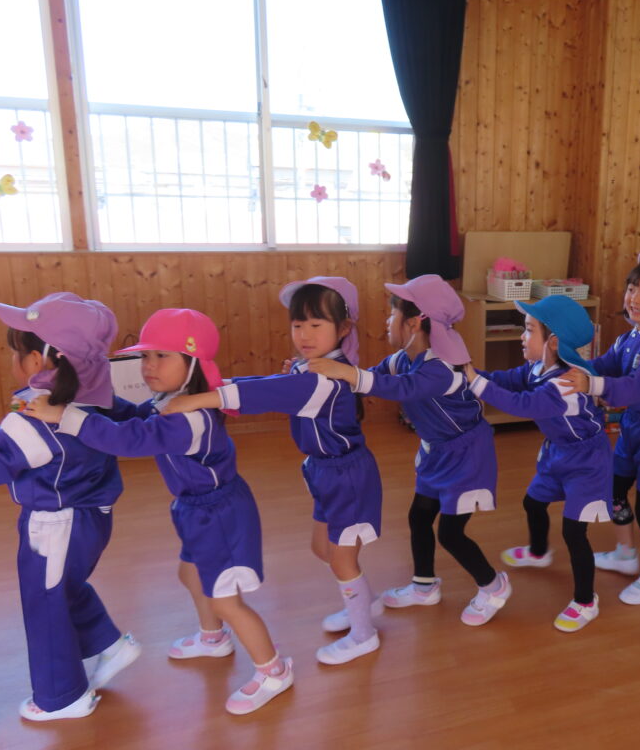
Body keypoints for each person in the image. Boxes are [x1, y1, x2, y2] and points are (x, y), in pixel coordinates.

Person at [25, 309, 292, 715]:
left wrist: (68, 416)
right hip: (195, 511)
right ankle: (213, 638)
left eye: (161, 356)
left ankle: (273, 670)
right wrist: (98, 403)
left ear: (194, 363)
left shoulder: (192, 419)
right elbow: (136, 417)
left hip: (220, 516)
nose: (149, 365)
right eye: (145, 356)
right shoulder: (170, 402)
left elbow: (132, 439)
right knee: (191, 575)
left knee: (225, 599)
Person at [164, 278, 383, 666]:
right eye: (297, 325)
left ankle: (364, 633)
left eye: (316, 324)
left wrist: (203, 397)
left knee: (341, 558)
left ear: (343, 328)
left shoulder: (326, 378)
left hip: (347, 477)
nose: (304, 334)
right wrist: (217, 386)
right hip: (325, 472)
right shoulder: (311, 368)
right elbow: (270, 385)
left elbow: (263, 394)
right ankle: (361, 604)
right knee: (324, 550)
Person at [308, 275, 511, 626]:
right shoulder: (402, 359)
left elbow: (400, 388)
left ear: (414, 322)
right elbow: (370, 380)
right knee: (419, 517)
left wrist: (347, 373)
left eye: (392, 315)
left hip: (467, 457)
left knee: (450, 533)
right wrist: (325, 375)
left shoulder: (442, 368)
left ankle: (494, 586)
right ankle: (424, 586)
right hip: (437, 453)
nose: (387, 322)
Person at [0, 293, 140, 721]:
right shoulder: (91, 400)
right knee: (64, 588)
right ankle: (109, 645)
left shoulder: (34, 423)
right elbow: (2, 440)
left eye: (16, 351)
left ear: (37, 361)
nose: (13, 359)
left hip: (55, 526)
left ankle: (63, 697)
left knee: (44, 606)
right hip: (89, 519)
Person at [464, 295, 613, 631]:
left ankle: (586, 601)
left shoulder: (565, 384)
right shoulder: (537, 368)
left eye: (529, 330)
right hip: (557, 452)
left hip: (588, 462)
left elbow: (522, 404)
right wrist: (468, 374)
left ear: (553, 342)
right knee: (533, 502)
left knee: (574, 532)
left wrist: (476, 382)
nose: (522, 336)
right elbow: (506, 380)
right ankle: (538, 551)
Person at [557, 250, 640, 605]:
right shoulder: (632, 336)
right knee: (614, 490)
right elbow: (606, 364)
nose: (634, 298)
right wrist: (570, 365)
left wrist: (591, 385)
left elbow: (638, 386)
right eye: (632, 289)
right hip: (634, 427)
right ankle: (626, 554)